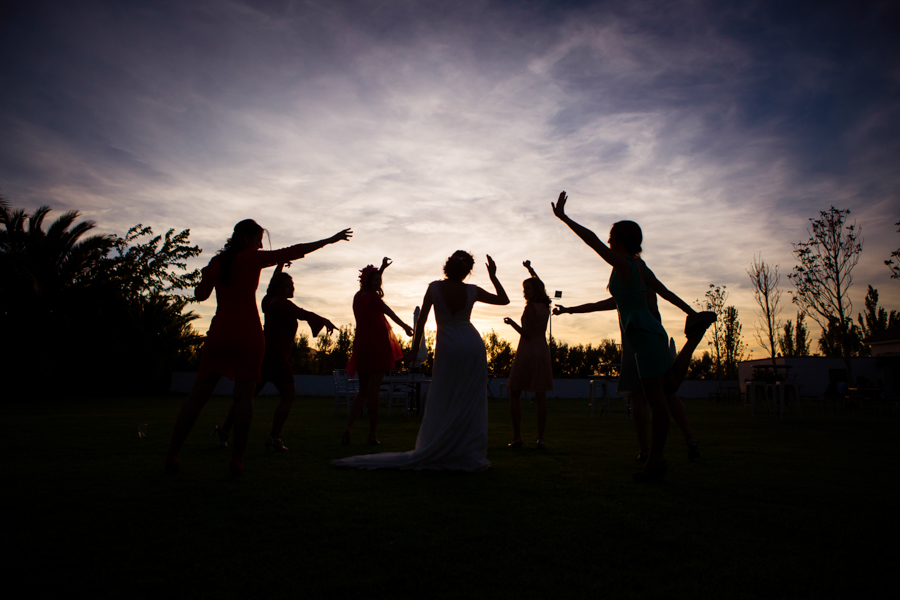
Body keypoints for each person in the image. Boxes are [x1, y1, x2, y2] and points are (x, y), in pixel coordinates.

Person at [165, 220, 352, 476]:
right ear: (247, 239)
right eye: (258, 240)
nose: (260, 245)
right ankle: (237, 459)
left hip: (220, 333)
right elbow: (294, 250)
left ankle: (173, 453)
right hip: (248, 335)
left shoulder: (217, 263)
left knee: (197, 397)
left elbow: (200, 295)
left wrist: (208, 275)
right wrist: (329, 240)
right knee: (244, 399)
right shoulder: (251, 259)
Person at [552, 191, 710, 482]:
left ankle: (655, 461)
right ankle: (693, 339)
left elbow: (592, 242)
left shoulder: (623, 263)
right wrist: (692, 312)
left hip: (642, 335)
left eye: (611, 236)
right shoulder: (641, 267)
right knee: (669, 387)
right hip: (653, 332)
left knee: (657, 402)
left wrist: (565, 219)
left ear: (620, 239)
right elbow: (665, 292)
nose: (608, 241)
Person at [332, 251, 509, 471]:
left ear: (448, 265)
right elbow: (504, 300)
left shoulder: (434, 288)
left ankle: (440, 444)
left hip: (448, 346)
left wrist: (415, 350)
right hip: (473, 346)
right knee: (470, 399)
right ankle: (467, 450)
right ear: (467, 271)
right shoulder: (472, 290)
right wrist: (493, 276)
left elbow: (423, 321)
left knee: (444, 395)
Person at [553, 271, 714, 461]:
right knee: (668, 393)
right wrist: (692, 313)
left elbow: (597, 306)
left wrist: (568, 310)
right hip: (657, 341)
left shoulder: (628, 295)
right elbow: (668, 294)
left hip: (635, 345)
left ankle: (646, 450)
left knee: (639, 396)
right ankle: (689, 439)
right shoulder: (645, 280)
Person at [213, 262, 337, 452]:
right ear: (281, 288)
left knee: (247, 396)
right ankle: (273, 438)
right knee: (288, 396)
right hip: (276, 357)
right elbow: (302, 313)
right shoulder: (283, 304)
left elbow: (272, 284)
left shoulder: (268, 300)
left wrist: (279, 266)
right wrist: (324, 320)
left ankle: (224, 431)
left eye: (292, 284)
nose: (292, 287)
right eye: (289, 285)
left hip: (263, 355)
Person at [341, 257, 415, 446]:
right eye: (376, 280)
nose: (379, 283)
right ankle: (372, 434)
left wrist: (381, 269)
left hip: (362, 345)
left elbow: (371, 284)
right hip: (377, 345)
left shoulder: (358, 297)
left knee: (363, 391)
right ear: (368, 282)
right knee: (373, 391)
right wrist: (405, 326)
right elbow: (388, 311)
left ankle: (348, 427)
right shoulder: (373, 298)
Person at [504, 260, 553, 449]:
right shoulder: (545, 306)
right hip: (542, 349)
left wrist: (511, 323)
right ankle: (540, 438)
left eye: (528, 289)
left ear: (535, 291)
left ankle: (517, 436)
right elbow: (541, 283)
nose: (525, 292)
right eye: (524, 289)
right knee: (541, 395)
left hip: (528, 350)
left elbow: (527, 334)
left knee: (514, 391)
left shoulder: (531, 308)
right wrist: (530, 270)